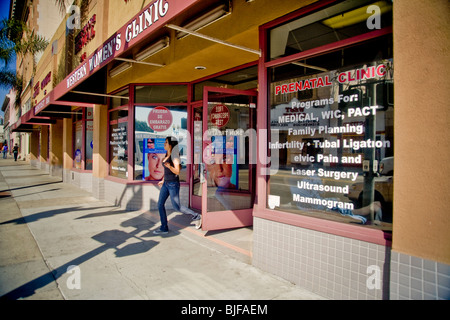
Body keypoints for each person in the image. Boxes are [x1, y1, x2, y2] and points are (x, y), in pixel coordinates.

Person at [154, 136, 201, 234]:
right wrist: (163, 180)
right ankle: (164, 227)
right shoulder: (167, 154)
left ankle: (196, 216)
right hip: (166, 183)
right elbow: (166, 171)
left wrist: (170, 166)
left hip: (173, 184)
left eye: (166, 142)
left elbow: (177, 171)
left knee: (177, 207)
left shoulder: (174, 157)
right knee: (160, 204)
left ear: (171, 145)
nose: (164, 144)